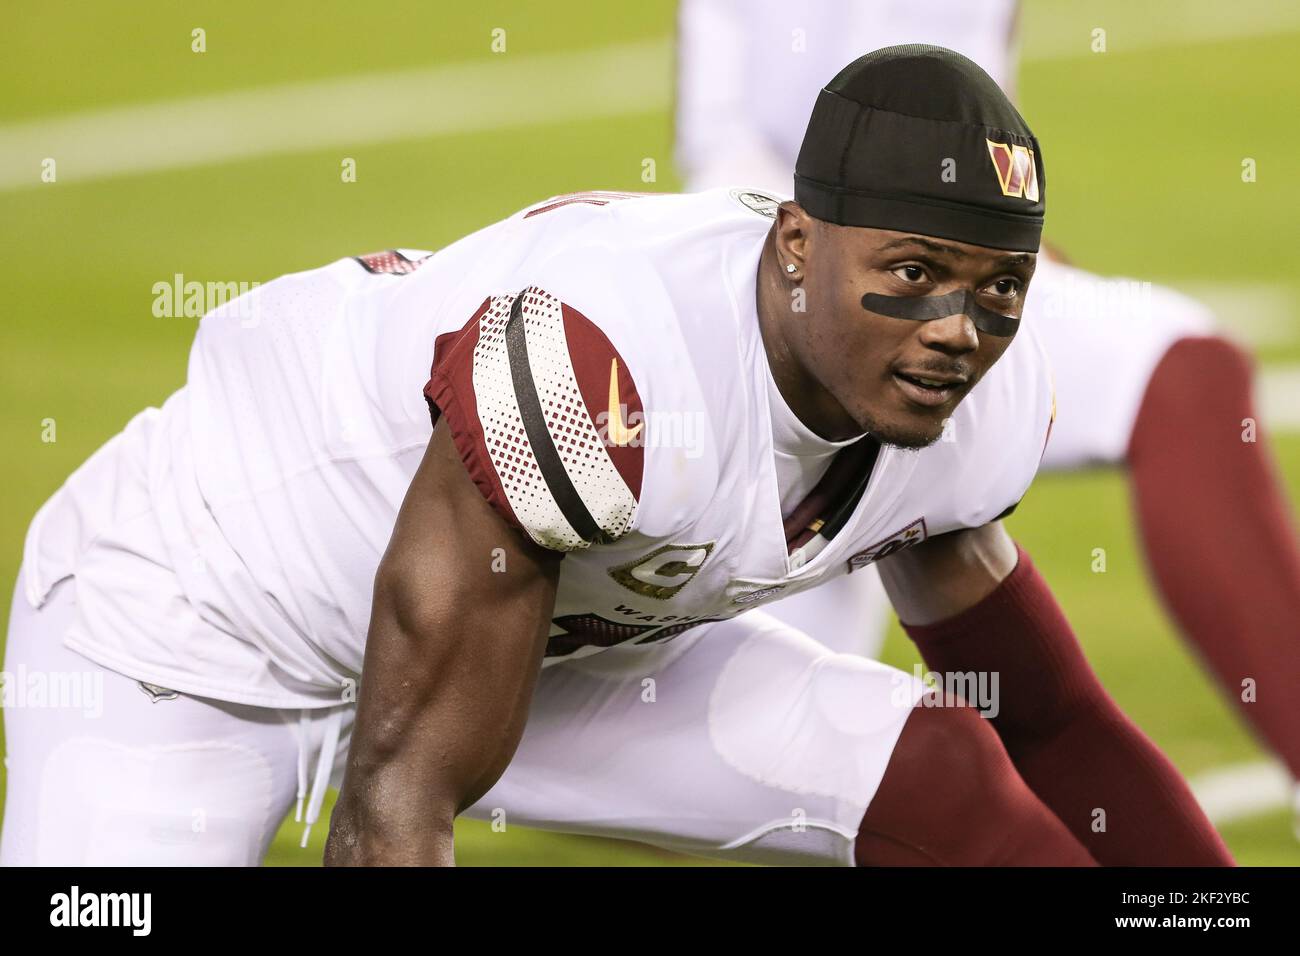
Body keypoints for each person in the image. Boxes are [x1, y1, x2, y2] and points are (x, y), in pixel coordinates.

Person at [1, 46, 1231, 867]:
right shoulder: (612, 362)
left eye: (999, 287)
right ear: (797, 243)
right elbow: (398, 792)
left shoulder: (982, 405)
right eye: (910, 275)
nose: (957, 332)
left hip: (532, 645)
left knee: (942, 774)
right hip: (197, 627)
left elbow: (1052, 720)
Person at [676, 0, 1300, 804]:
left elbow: (965, 81)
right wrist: (840, 254)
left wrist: (990, 243)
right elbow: (733, 129)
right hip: (803, 264)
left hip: (931, 254)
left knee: (1180, 376)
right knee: (788, 760)